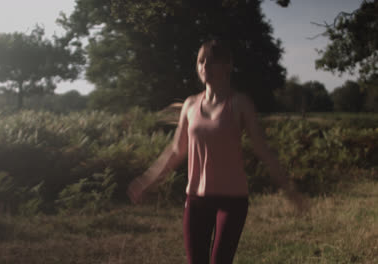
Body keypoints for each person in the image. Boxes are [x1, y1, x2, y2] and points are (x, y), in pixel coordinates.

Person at [126, 39, 306, 264]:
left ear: (228, 66)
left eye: (211, 62)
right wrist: (146, 181)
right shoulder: (190, 105)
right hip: (196, 200)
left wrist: (289, 188)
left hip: (232, 201)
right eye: (201, 61)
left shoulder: (240, 104)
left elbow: (263, 149)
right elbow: (175, 151)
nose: (204, 67)